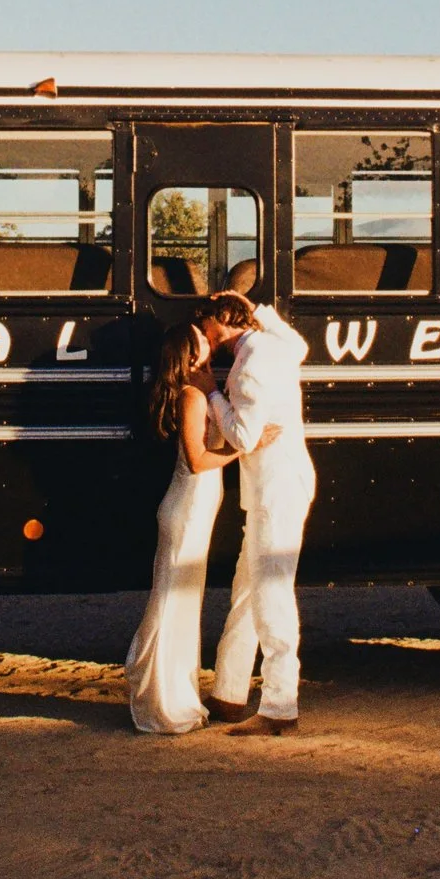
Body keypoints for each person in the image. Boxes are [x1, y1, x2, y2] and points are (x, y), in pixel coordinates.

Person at [123, 321, 278, 734]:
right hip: (187, 510)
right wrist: (246, 447)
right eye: (202, 343)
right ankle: (166, 703)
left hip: (193, 510)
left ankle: (170, 694)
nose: (211, 345)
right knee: (176, 602)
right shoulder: (192, 397)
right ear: (192, 356)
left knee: (181, 602)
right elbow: (197, 461)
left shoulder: (196, 392)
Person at [194, 290, 315, 736]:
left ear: (225, 320)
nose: (206, 334)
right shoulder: (274, 345)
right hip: (280, 484)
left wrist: (211, 393)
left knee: (269, 595)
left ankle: (280, 708)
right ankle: (229, 692)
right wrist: (255, 308)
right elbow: (301, 346)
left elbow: (243, 437)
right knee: (248, 588)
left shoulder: (251, 365)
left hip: (274, 489)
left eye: (208, 324)